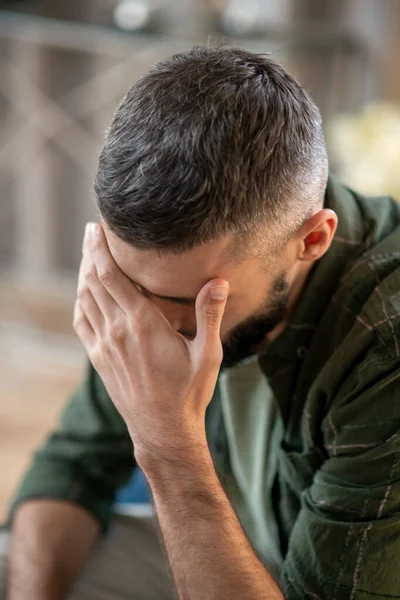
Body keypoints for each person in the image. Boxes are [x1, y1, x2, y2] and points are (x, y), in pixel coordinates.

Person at [1, 45, 400, 600]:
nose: (151, 327)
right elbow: (76, 464)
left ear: (311, 239)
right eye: (132, 286)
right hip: (231, 542)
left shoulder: (386, 348)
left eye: (194, 302)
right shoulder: (157, 287)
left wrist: (169, 450)